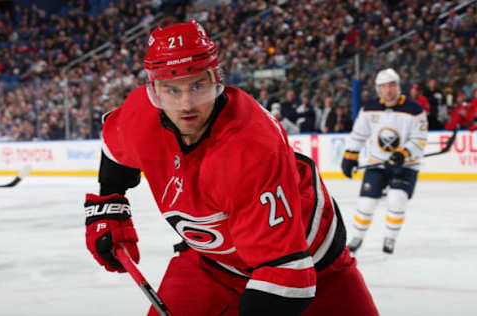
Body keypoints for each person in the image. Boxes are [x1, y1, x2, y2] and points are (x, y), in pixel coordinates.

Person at [84, 20, 378, 316]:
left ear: (216, 79)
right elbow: (115, 150)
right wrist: (111, 203)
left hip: (315, 267)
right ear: (154, 90)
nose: (186, 104)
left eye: (198, 85)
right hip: (211, 265)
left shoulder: (251, 148)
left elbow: (286, 276)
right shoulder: (141, 116)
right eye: (172, 90)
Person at [341, 68, 428, 254]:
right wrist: (350, 156)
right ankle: (357, 237)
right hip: (378, 164)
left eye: (391, 85)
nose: (388, 90)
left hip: (406, 165)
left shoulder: (415, 110)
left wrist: (402, 154)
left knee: (397, 200)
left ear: (398, 86)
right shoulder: (369, 109)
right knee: (366, 203)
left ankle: (390, 238)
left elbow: (419, 140)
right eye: (383, 87)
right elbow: (358, 135)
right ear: (378, 89)